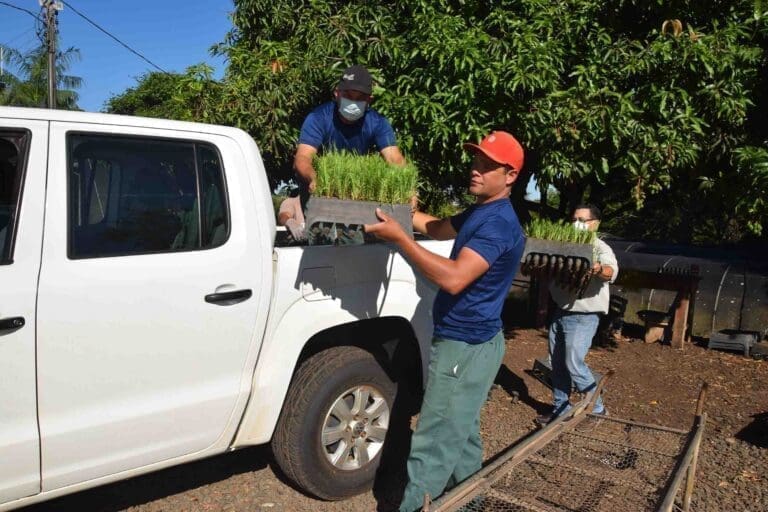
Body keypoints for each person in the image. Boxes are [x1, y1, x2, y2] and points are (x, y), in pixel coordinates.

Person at [364, 131, 526, 512]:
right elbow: (437, 227)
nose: (475, 169)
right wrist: (400, 214)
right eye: (476, 160)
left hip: (465, 347)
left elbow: (454, 278)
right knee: (461, 432)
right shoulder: (480, 211)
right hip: (472, 341)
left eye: (488, 165)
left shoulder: (498, 224)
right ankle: (471, 503)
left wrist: (400, 239)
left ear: (510, 176)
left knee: (433, 443)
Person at [536, 204, 618, 425]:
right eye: (574, 220)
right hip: (561, 311)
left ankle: (597, 409)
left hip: (584, 315)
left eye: (582, 220)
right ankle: (560, 408)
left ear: (595, 224)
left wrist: (598, 269)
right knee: (557, 363)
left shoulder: (600, 247)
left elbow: (610, 271)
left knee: (573, 363)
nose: (576, 225)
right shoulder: (564, 245)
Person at [293, 64, 405, 193]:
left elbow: (394, 158)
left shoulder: (378, 123)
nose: (353, 102)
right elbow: (303, 157)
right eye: (348, 96)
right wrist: (314, 179)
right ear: (337, 93)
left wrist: (409, 190)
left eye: (360, 98)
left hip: (358, 191)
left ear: (369, 100)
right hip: (316, 191)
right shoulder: (318, 118)